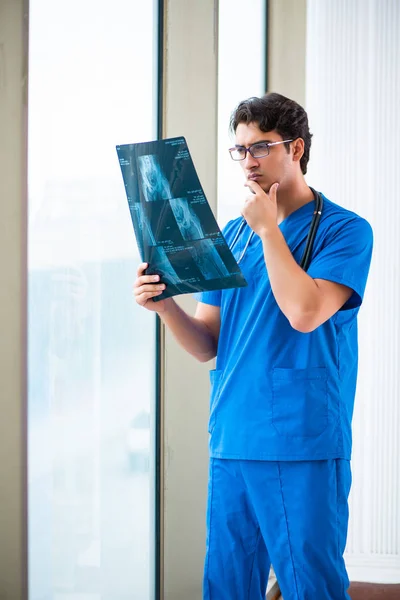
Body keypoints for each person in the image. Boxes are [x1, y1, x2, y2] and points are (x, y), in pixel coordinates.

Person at [133, 92, 373, 600]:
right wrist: (165, 306)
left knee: (312, 584)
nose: (249, 162)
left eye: (261, 147)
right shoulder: (231, 237)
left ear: (297, 148)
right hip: (233, 437)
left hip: (301, 437)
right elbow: (206, 344)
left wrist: (269, 230)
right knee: (227, 584)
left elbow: (305, 312)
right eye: (240, 151)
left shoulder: (344, 231)